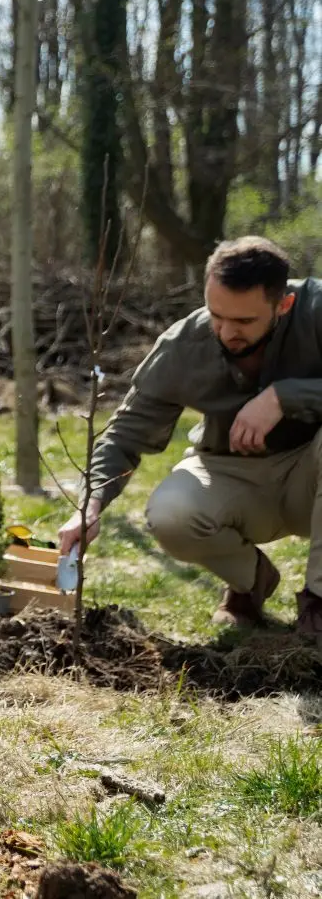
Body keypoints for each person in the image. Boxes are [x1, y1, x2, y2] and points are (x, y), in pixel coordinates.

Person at [58, 237, 322, 637]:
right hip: (231, 473)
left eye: (244, 321)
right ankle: (251, 581)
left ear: (283, 305)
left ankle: (318, 604)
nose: (226, 331)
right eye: (217, 315)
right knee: (170, 515)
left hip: (311, 473)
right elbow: (125, 433)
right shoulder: (184, 344)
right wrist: (90, 505)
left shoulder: (315, 311)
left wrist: (284, 397)